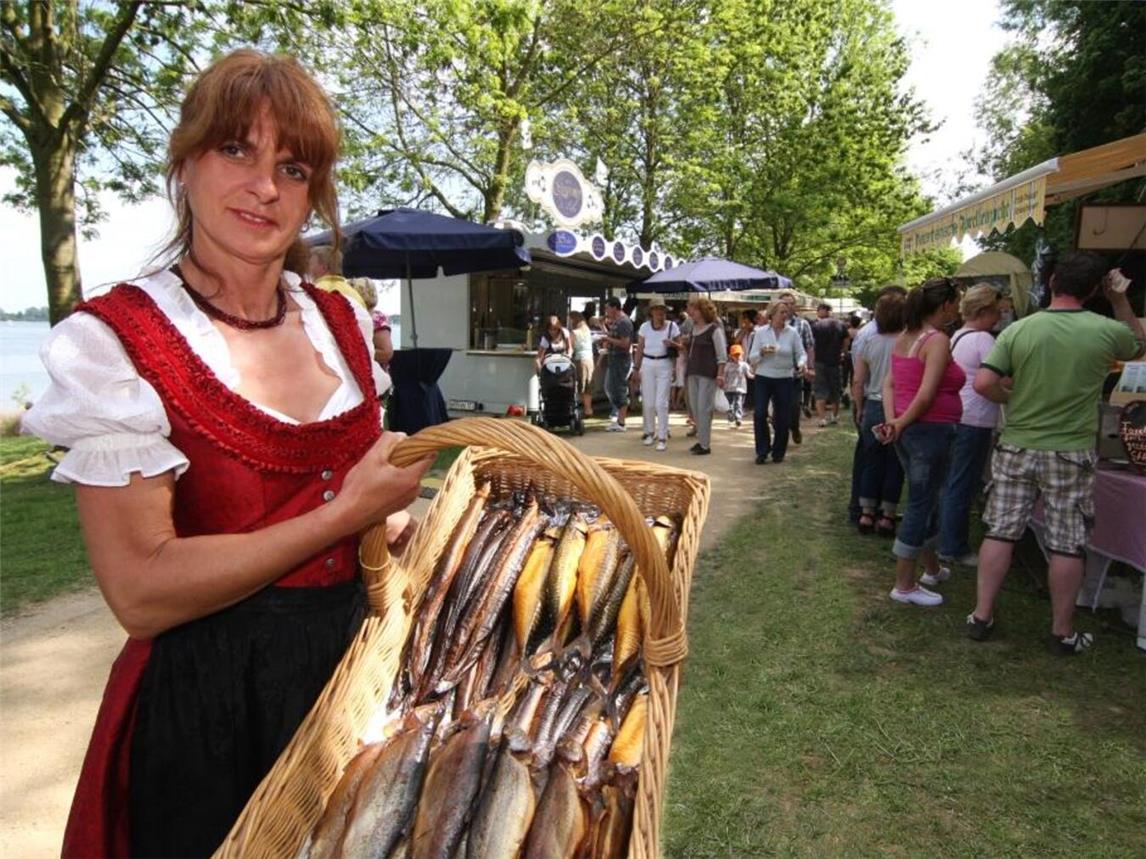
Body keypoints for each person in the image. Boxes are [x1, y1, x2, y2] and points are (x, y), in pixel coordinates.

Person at [20, 50, 431, 857]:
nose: (265, 187)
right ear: (185, 163)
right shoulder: (119, 344)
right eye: (236, 150)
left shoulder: (339, 325)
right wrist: (342, 512)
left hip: (351, 688)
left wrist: (382, 526)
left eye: (293, 166)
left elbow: (354, 506)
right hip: (208, 712)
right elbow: (140, 592)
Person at [968, 254, 1145, 652]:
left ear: (1050, 282)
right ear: (1095, 289)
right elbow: (1137, 345)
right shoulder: (1104, 331)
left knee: (1000, 530)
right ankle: (1062, 633)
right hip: (1071, 450)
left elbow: (982, 383)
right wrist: (1119, 301)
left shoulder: (1021, 330)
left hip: (1018, 444)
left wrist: (1009, 398)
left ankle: (981, 615)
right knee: (1067, 541)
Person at [877, 278, 964, 607]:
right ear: (945, 306)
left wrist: (893, 420)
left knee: (922, 499)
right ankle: (904, 583)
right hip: (928, 431)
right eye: (955, 303)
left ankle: (930, 568)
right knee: (921, 503)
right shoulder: (936, 340)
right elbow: (926, 395)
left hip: (909, 430)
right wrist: (899, 421)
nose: (957, 309)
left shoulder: (905, 337)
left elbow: (889, 385)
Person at [936, 284, 1002, 567]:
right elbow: (991, 381)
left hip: (957, 416)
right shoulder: (983, 340)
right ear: (985, 310)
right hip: (974, 420)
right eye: (998, 309)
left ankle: (944, 539)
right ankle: (952, 546)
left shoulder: (957, 336)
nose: (1001, 314)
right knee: (962, 484)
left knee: (951, 482)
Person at [852, 291, 906, 537]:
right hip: (899, 408)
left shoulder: (870, 342)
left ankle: (866, 512)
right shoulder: (909, 343)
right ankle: (887, 515)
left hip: (873, 404)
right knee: (895, 464)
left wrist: (859, 407)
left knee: (871, 461)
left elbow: (858, 380)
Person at [749, 299, 806, 464]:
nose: (785, 315)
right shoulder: (760, 333)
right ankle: (762, 450)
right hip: (764, 376)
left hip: (784, 377)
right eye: (781, 312)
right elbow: (752, 358)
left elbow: (801, 353)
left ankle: (778, 451)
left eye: (786, 312)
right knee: (760, 413)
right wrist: (762, 352)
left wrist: (801, 364)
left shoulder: (792, 333)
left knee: (782, 416)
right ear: (772, 314)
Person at [675, 296, 727, 455]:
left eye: (695, 309)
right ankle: (701, 440)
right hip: (693, 372)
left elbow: (722, 355)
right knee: (695, 408)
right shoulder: (693, 329)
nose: (691, 312)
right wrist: (681, 345)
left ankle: (705, 444)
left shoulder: (714, 330)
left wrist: (720, 375)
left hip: (707, 373)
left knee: (704, 408)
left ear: (702, 311)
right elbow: (688, 351)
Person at [633, 296, 679, 451]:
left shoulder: (672, 327)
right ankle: (649, 432)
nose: (660, 313)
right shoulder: (645, 327)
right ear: (651, 312)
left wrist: (673, 346)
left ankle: (662, 436)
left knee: (661, 402)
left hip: (665, 363)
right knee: (648, 402)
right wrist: (635, 368)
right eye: (657, 310)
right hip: (647, 363)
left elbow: (681, 347)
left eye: (662, 310)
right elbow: (640, 348)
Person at [777, 291, 815, 443]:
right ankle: (781, 436)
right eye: (785, 303)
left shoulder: (802, 324)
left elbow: (810, 346)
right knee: (778, 408)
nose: (788, 306)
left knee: (793, 406)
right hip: (776, 373)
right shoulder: (772, 325)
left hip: (795, 373)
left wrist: (810, 367)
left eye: (791, 303)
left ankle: (794, 427)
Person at [811, 302, 848, 426]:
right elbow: (846, 340)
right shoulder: (841, 325)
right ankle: (834, 416)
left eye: (818, 310)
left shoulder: (815, 325)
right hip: (835, 361)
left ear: (822, 310)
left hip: (819, 361)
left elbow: (812, 343)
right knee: (835, 390)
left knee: (820, 389)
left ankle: (822, 418)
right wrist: (843, 352)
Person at [601, 297, 634, 431]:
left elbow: (625, 344)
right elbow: (613, 337)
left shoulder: (624, 322)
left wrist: (607, 339)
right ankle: (618, 418)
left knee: (618, 388)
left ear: (614, 307)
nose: (606, 311)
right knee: (609, 387)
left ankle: (621, 421)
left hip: (621, 359)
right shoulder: (616, 322)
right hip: (613, 358)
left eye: (607, 308)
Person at [568, 310, 595, 417]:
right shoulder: (587, 329)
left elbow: (570, 347)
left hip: (581, 360)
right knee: (588, 384)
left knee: (582, 385)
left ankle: (587, 409)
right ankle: (589, 409)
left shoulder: (574, 332)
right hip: (590, 359)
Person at [723, 344, 751, 429]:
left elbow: (749, 374)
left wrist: (755, 375)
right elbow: (725, 375)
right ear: (731, 356)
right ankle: (731, 416)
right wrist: (722, 382)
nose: (737, 357)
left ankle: (738, 418)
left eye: (739, 354)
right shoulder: (728, 365)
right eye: (735, 355)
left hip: (740, 388)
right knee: (730, 404)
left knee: (738, 403)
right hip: (729, 388)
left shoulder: (744, 365)